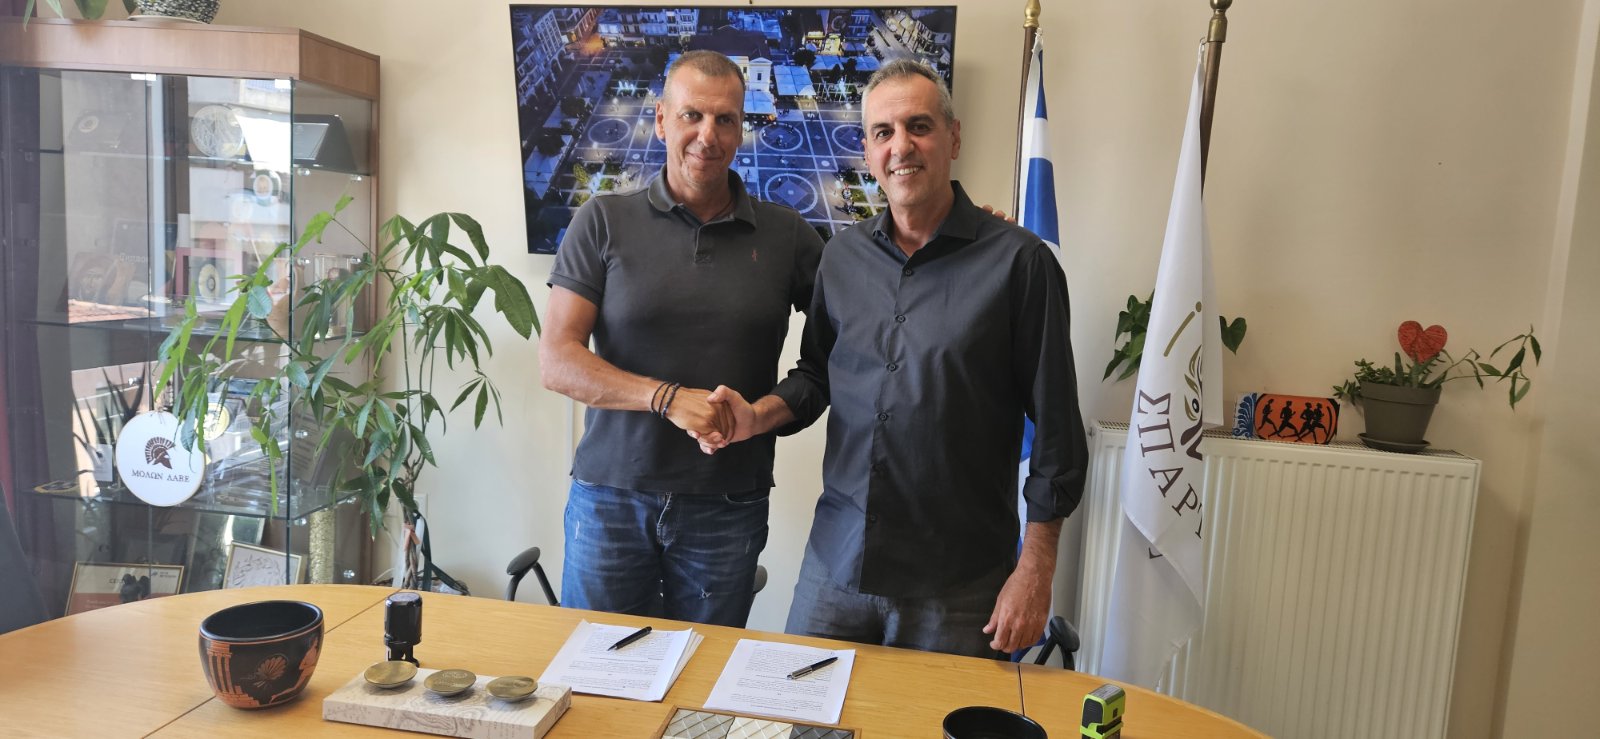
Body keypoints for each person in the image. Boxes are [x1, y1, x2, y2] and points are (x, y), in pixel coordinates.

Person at [700, 60, 1088, 657]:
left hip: (958, 584)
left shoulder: (1020, 264)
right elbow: (816, 374)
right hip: (836, 564)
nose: (901, 146)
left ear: (953, 138)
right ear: (867, 150)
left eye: (919, 126)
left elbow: (1058, 431)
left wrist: (1035, 569)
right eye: (883, 132)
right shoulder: (841, 258)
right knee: (794, 707)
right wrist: (757, 416)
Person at [539, 50, 825, 627]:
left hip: (729, 504)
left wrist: (760, 417)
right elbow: (558, 361)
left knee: (707, 672)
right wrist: (667, 399)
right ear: (662, 120)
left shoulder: (789, 235)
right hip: (609, 499)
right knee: (598, 669)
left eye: (725, 119)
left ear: (741, 129)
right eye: (692, 115)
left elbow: (835, 359)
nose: (707, 135)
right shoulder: (602, 220)